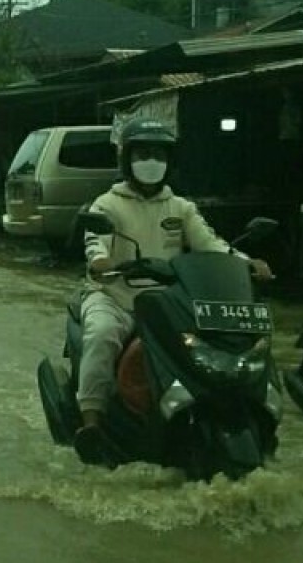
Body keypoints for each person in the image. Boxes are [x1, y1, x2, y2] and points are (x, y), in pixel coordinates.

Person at [74, 119, 273, 465]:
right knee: (101, 334)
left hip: (169, 303)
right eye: (143, 154)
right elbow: (96, 245)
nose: (151, 161)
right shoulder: (106, 205)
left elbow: (211, 245)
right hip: (115, 296)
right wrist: (101, 261)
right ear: (127, 160)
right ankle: (91, 421)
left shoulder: (181, 207)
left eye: (159, 154)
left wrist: (246, 262)